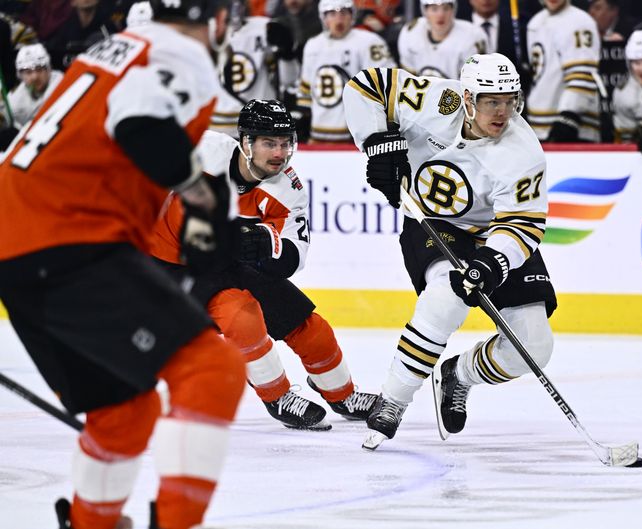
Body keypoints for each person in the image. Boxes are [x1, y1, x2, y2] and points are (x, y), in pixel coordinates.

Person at [0, 2, 248, 529]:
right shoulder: (178, 50)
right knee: (212, 368)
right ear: (218, 19)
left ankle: (92, 522)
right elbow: (140, 124)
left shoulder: (113, 50)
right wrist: (201, 195)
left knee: (124, 413)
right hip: (69, 241)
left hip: (24, 249)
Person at [343, 53, 557, 449]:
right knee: (446, 298)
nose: (503, 111)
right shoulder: (432, 100)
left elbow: (524, 224)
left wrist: (493, 261)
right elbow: (365, 84)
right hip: (432, 222)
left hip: (494, 233)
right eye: (493, 101)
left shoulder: (523, 154)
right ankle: (392, 401)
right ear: (468, 97)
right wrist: (376, 143)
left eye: (510, 100)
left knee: (534, 346)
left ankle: (458, 374)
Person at [151, 99, 379, 430]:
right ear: (246, 143)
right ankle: (278, 397)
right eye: (269, 143)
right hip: (172, 263)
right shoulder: (203, 150)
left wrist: (267, 245)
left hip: (228, 262)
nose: (280, 153)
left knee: (310, 328)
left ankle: (341, 393)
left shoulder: (289, 189)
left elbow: (294, 256)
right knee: (242, 318)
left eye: (286, 143)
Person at [299, 0, 395, 142]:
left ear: (352, 15)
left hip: (358, 136)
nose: (339, 18)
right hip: (318, 135)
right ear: (323, 17)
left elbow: (389, 84)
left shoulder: (370, 42)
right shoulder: (313, 45)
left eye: (344, 12)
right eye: (332, 13)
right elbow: (305, 93)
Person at [526, 0, 601, 142]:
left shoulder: (580, 22)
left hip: (573, 128)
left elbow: (583, 75)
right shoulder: (535, 23)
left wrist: (569, 116)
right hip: (538, 128)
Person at [397, 0, 486, 79]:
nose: (440, 14)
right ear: (425, 11)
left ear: (453, 10)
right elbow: (407, 79)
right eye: (434, 9)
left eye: (446, 8)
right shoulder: (411, 31)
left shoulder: (471, 35)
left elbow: (473, 84)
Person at [6, 43, 64, 129]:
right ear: (20, 76)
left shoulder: (63, 84)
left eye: (39, 70)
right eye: (28, 72)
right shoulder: (15, 103)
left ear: (49, 69)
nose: (35, 77)